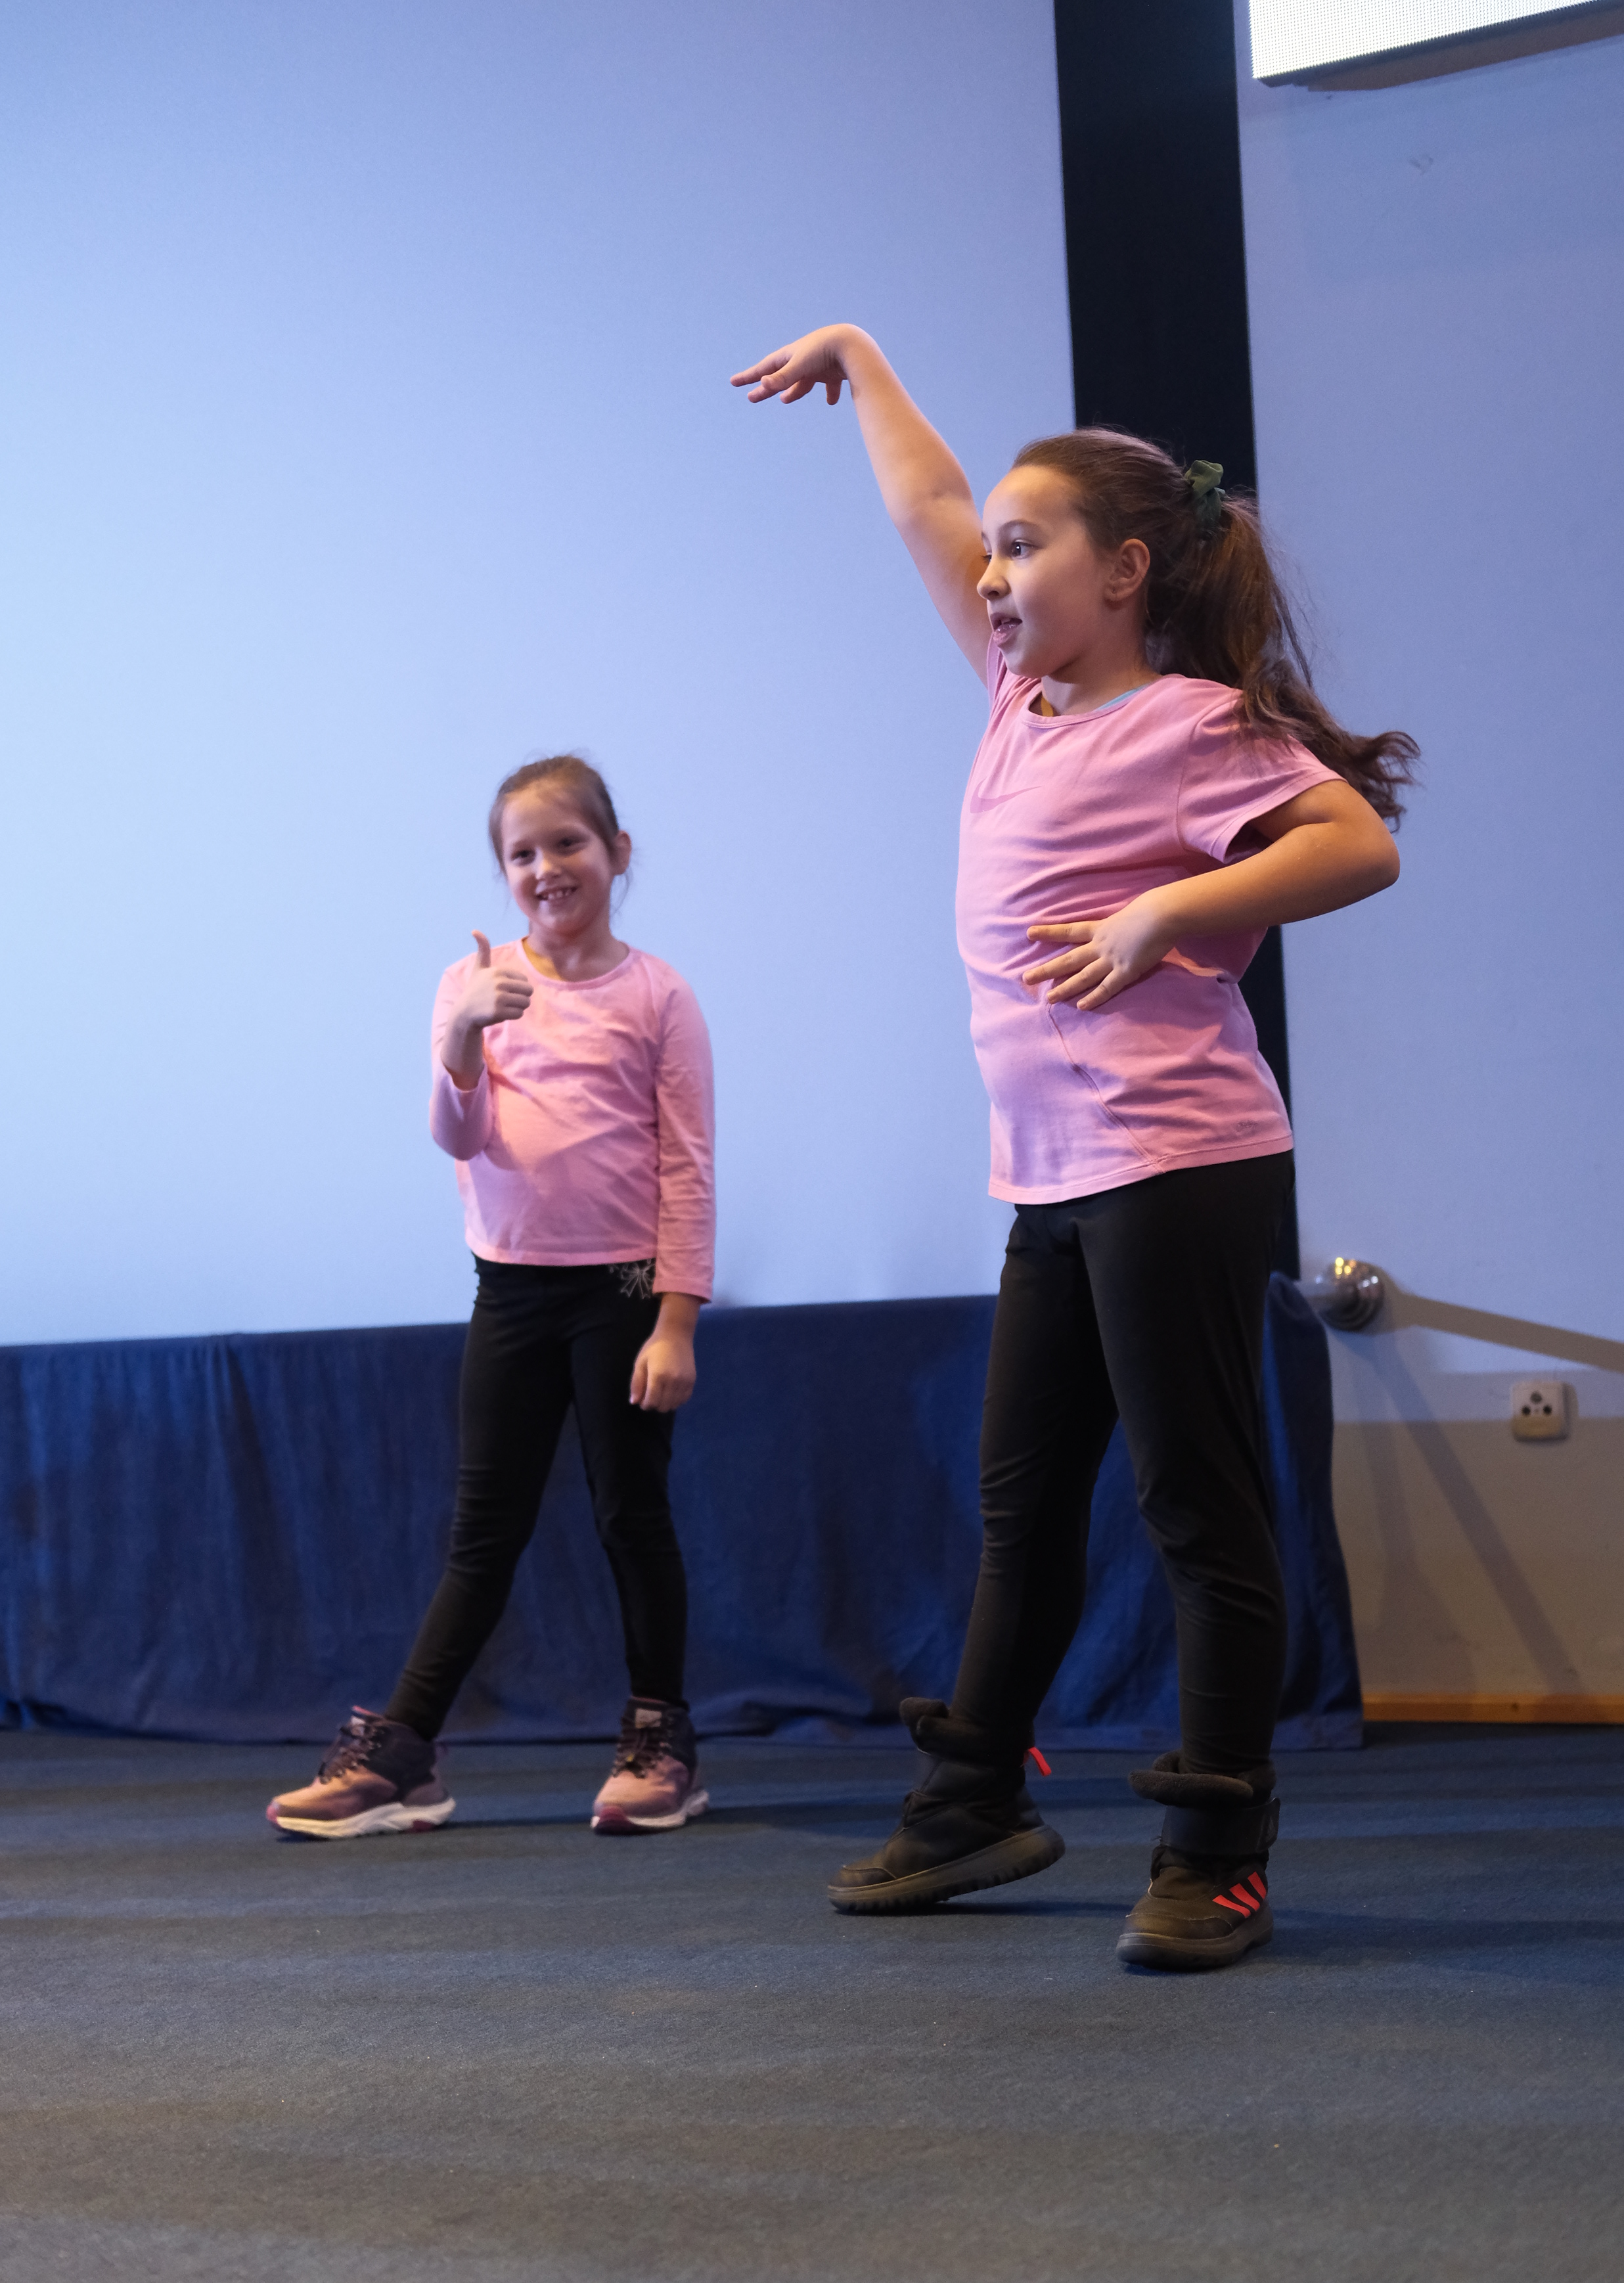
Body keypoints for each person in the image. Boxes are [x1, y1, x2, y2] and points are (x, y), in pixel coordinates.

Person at [731, 325, 1412, 1970]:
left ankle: (1216, 1849)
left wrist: (1168, 910)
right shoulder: (1014, 702)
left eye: (1024, 548)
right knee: (1021, 1506)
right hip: (1051, 1175)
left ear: (1121, 573)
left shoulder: (1187, 722)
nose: (988, 572)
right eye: (993, 552)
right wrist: (861, 362)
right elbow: (927, 507)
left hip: (1176, 1162)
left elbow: (1355, 844)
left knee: (1195, 1507)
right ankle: (973, 1801)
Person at [266, 754, 715, 1841]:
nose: (547, 867)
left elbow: (690, 1166)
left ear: (617, 852)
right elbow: (457, 1137)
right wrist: (466, 1030)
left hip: (621, 1293)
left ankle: (661, 1742)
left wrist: (674, 1322)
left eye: (569, 843)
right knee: (483, 1532)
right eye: (523, 853)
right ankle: (406, 1757)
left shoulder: (657, 993)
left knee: (630, 1515)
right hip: (510, 1295)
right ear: (503, 873)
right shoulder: (471, 985)